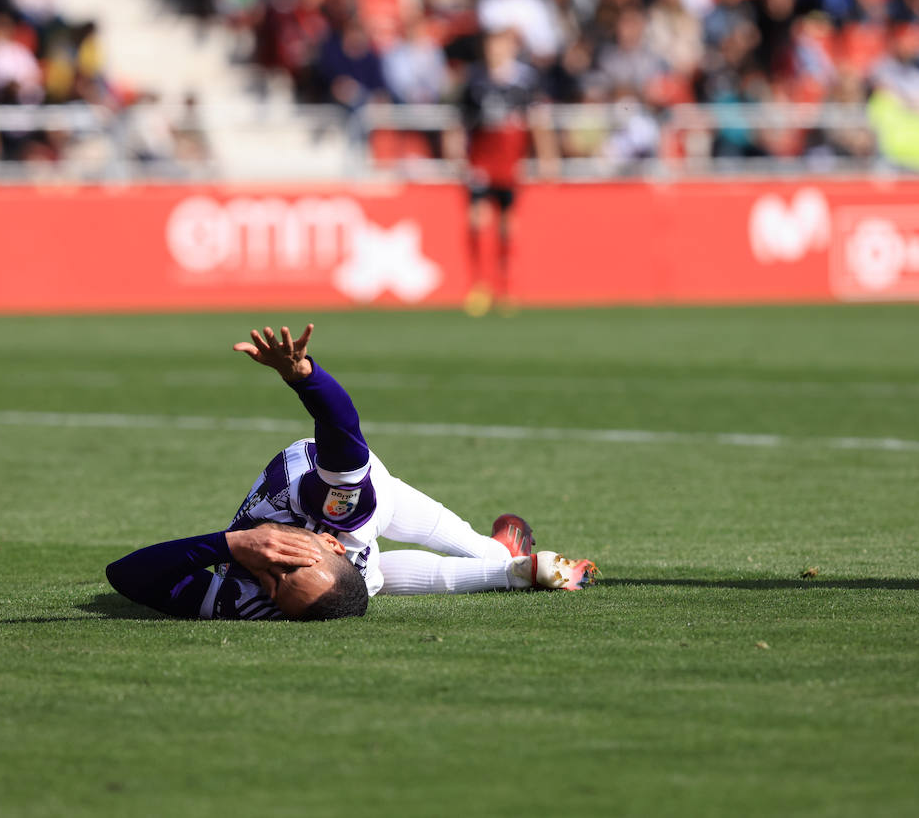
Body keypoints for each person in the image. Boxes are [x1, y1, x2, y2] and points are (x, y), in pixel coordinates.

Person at [106, 324, 597, 621]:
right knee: (378, 578)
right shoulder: (335, 513)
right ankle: (511, 563)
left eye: (278, 587)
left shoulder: (254, 598)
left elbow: (125, 576)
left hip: (357, 519)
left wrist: (230, 545)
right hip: (362, 503)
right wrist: (306, 378)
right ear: (330, 546)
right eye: (290, 571)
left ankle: (504, 560)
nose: (272, 574)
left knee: (374, 571)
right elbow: (343, 430)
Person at [446, 30, 559, 317]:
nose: (495, 51)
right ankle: (480, 286)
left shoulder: (525, 81)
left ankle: (505, 287)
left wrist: (547, 157)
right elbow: (459, 121)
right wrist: (457, 154)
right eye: (491, 46)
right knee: (477, 220)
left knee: (508, 225)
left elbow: (537, 121)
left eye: (501, 46)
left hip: (509, 162)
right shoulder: (475, 80)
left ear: (510, 49)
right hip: (482, 160)